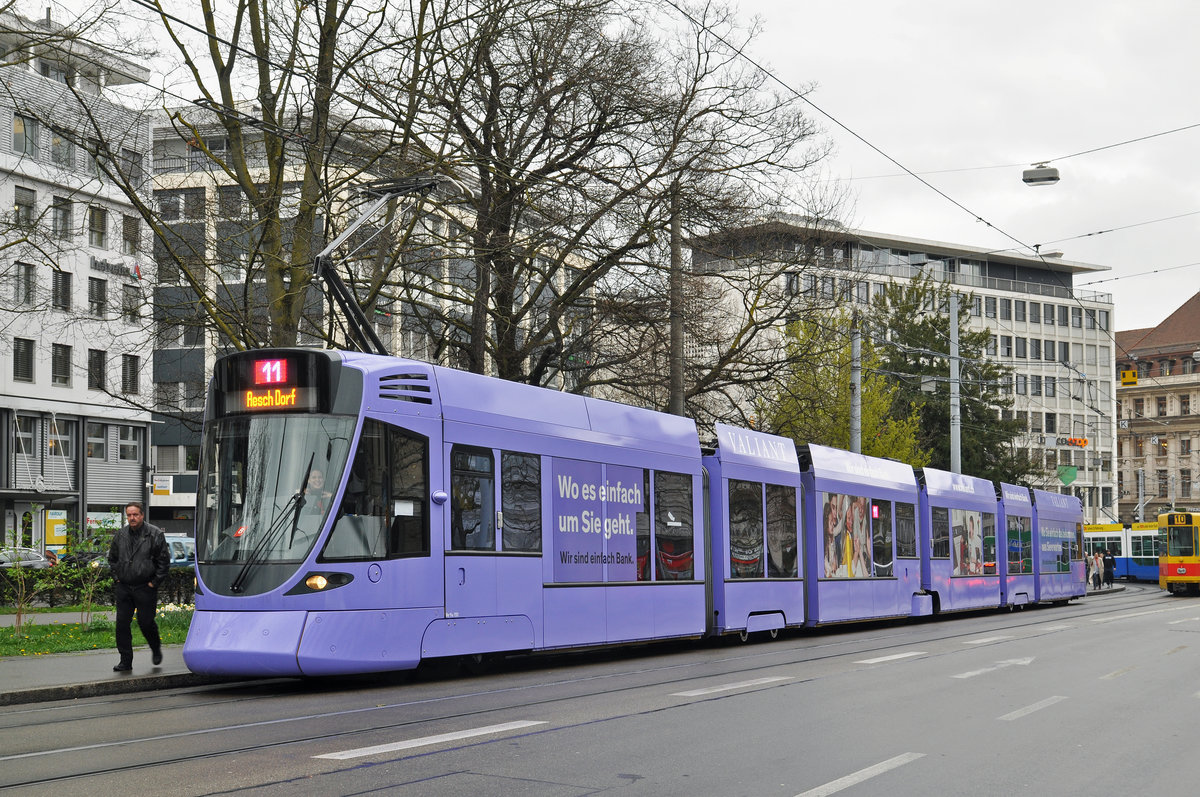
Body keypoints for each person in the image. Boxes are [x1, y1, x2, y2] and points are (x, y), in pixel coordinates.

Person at [107, 502, 170, 672]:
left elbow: (163, 562)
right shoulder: (120, 535)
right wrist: (117, 578)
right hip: (124, 587)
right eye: (129, 515)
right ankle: (125, 661)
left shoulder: (154, 534)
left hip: (145, 587)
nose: (132, 518)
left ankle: (155, 648)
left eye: (135, 515)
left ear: (142, 515)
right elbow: (111, 559)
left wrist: (154, 583)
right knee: (121, 624)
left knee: (146, 623)